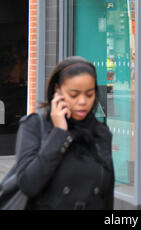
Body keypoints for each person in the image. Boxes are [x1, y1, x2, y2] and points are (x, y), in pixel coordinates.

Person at [14, 56, 115, 210]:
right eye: (74, 95)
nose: (82, 101)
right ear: (57, 90)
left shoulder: (100, 132)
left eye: (89, 94)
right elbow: (29, 184)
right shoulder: (34, 126)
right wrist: (59, 132)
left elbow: (106, 196)